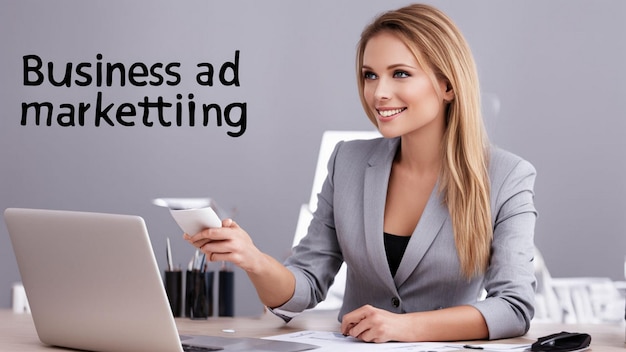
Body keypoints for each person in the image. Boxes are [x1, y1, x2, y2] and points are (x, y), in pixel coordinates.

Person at [185, 3, 537, 342]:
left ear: (447, 85)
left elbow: (513, 308)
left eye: (400, 73)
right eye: (370, 75)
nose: (378, 93)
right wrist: (253, 259)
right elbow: (304, 286)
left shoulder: (508, 176)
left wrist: (403, 327)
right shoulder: (348, 161)